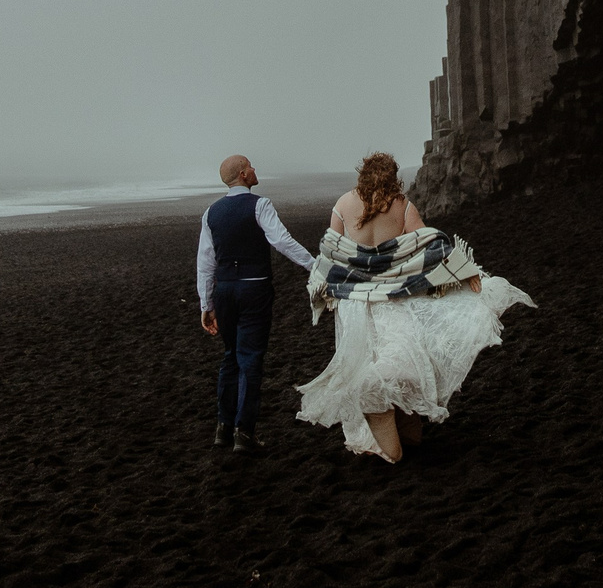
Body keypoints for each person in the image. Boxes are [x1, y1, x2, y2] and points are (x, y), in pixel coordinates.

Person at [295, 152, 533, 463]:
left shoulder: (342, 205)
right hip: (394, 298)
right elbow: (431, 245)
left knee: (368, 358)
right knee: (400, 354)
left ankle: (385, 419)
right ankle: (399, 418)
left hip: (354, 305)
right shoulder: (401, 205)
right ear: (393, 177)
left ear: (361, 174)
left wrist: (325, 294)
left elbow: (331, 256)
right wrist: (466, 271)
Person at [196, 153, 314, 454]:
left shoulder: (211, 212)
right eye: (250, 166)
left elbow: (205, 263)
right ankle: (243, 431)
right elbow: (282, 241)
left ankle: (223, 427)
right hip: (255, 289)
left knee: (230, 356)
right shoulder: (260, 205)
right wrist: (314, 266)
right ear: (243, 175)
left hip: (224, 291)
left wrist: (205, 304)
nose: (255, 169)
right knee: (250, 358)